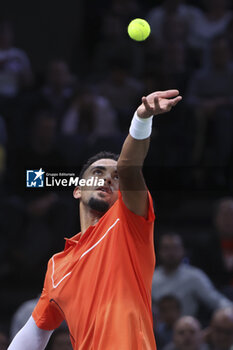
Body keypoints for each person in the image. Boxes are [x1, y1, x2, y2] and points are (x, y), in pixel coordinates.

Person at [7, 89, 182, 350]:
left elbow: (129, 168)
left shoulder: (128, 223)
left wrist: (141, 118)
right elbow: (35, 334)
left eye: (115, 177)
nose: (108, 178)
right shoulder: (57, 266)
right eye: (98, 172)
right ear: (78, 189)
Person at [152, 233, 232, 317]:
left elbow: (216, 300)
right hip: (156, 327)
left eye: (175, 248)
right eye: (166, 248)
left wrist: (229, 311)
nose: (171, 253)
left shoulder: (194, 276)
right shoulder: (151, 278)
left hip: (188, 326)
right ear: (159, 252)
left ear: (183, 250)